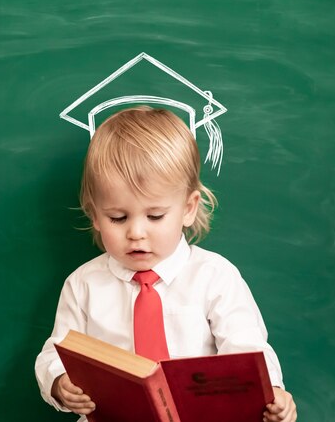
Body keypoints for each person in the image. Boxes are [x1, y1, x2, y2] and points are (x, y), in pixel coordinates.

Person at [35, 106, 297, 422]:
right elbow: (57, 352)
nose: (136, 233)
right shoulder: (83, 284)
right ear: (94, 215)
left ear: (188, 208)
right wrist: (60, 383)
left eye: (155, 216)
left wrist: (272, 395)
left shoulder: (214, 277)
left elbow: (247, 352)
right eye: (117, 218)